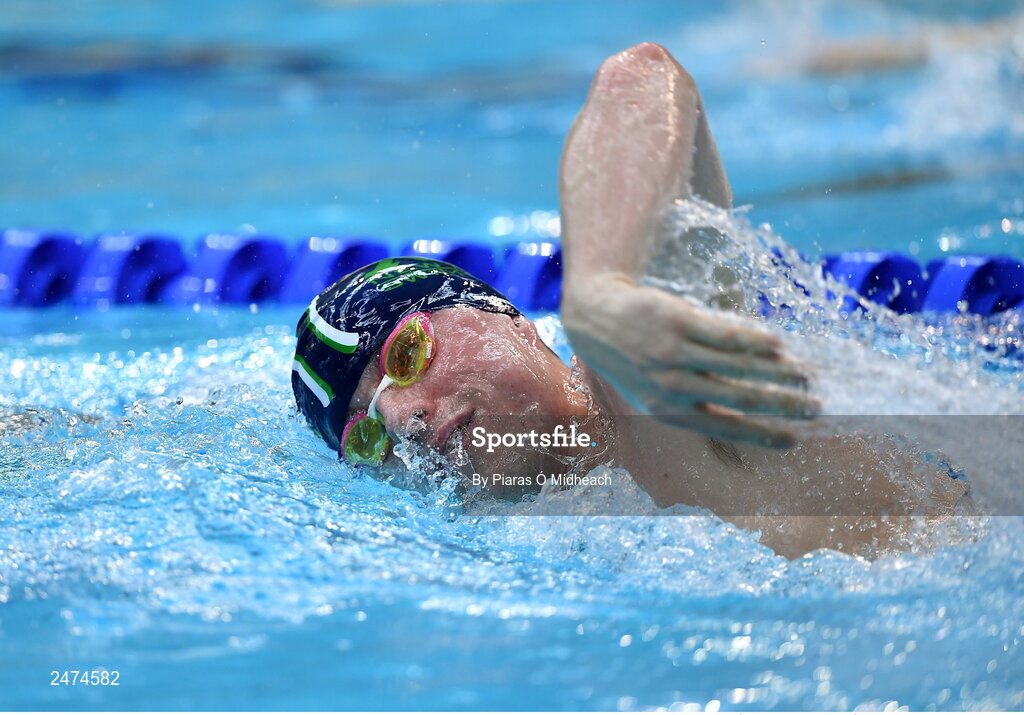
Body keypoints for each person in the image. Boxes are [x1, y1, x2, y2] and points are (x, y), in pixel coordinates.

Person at [292, 43, 966, 558]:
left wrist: (599, 295)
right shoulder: (536, 563)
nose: (405, 416)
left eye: (407, 354)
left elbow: (640, 77)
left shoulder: (662, 378)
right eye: (369, 435)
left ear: (504, 314)